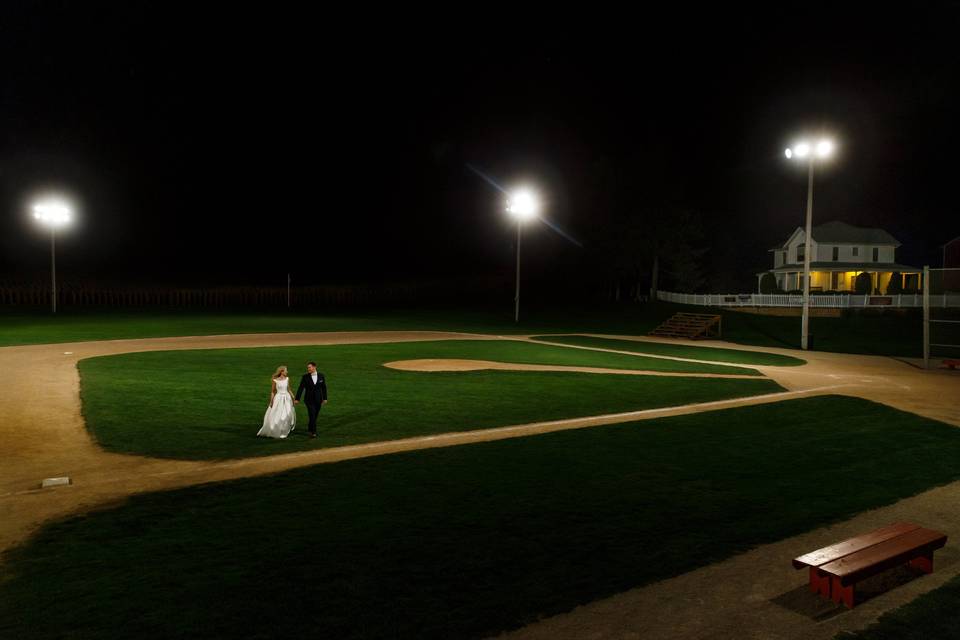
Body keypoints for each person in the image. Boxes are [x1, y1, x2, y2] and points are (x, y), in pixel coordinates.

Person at [256, 365, 296, 439]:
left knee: (287, 414)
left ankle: (284, 430)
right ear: (281, 371)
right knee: (277, 414)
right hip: (278, 398)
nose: (287, 372)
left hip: (287, 398)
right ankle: (276, 429)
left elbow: (289, 389)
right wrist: (271, 401)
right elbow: (273, 392)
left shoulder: (287, 379)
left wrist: (293, 397)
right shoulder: (275, 380)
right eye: (286, 370)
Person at [295, 361, 328, 438]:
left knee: (315, 415)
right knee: (312, 415)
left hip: (318, 399)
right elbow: (301, 388)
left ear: (314, 367)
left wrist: (325, 398)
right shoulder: (305, 377)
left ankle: (310, 426)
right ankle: (313, 432)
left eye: (309, 367)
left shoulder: (321, 376)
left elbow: (324, 388)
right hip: (309, 400)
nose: (308, 369)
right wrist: (297, 399)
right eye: (308, 367)